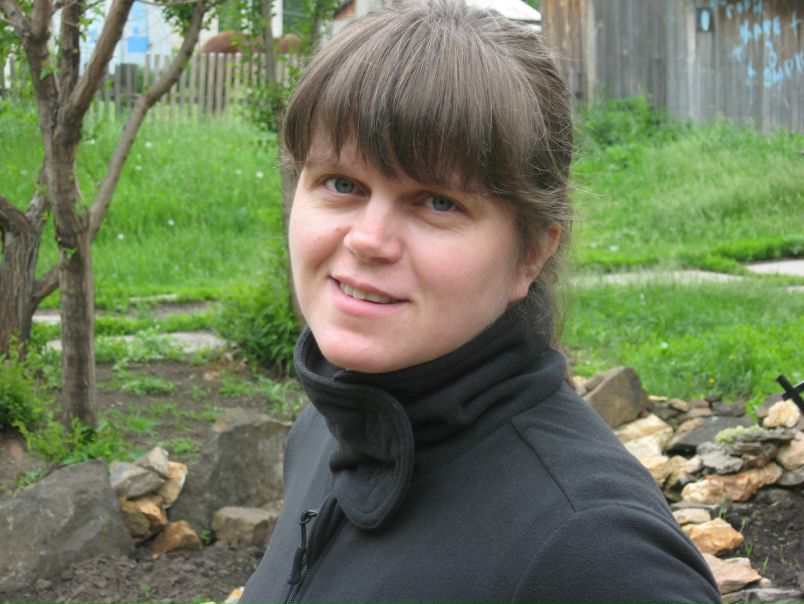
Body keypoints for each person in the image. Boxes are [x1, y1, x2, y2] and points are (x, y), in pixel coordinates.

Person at [240, 1, 722, 602]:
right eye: (342, 184)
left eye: (438, 202)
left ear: (530, 254)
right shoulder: (328, 430)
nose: (367, 239)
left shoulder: (598, 554)